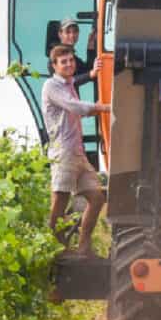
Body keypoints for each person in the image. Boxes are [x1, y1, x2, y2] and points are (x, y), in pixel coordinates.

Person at [42, 44, 111, 256]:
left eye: (71, 60)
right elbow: (75, 107)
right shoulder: (52, 86)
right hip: (63, 151)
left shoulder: (69, 84)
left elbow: (78, 111)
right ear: (54, 65)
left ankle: (83, 246)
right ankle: (55, 247)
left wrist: (95, 108)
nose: (69, 64)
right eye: (64, 62)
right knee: (60, 201)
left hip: (77, 152)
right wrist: (104, 107)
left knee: (97, 197)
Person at [48, 17, 98, 88]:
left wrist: (90, 45)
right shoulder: (55, 58)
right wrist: (91, 74)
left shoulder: (73, 57)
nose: (72, 35)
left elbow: (88, 70)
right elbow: (67, 82)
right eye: (68, 32)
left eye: (75, 31)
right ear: (60, 34)